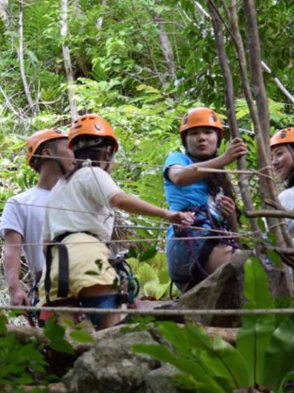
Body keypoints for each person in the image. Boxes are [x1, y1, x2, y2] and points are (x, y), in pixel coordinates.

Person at [41, 114, 194, 330]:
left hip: (56, 266)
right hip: (88, 256)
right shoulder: (93, 172)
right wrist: (168, 215)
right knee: (111, 326)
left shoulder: (57, 189)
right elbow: (120, 200)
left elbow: (45, 246)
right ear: (108, 152)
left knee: (63, 339)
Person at [163, 107, 248, 292]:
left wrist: (232, 216)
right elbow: (179, 177)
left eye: (208, 132)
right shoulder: (178, 159)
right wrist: (224, 159)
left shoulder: (220, 180)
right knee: (244, 267)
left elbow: (235, 239)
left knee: (245, 265)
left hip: (213, 244)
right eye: (194, 133)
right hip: (186, 244)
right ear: (185, 140)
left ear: (217, 138)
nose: (202, 138)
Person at [0, 128, 71, 310]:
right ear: (48, 153)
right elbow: (12, 249)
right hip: (48, 287)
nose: (75, 155)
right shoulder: (20, 203)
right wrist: (14, 289)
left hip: (89, 282)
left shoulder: (80, 196)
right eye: (69, 148)